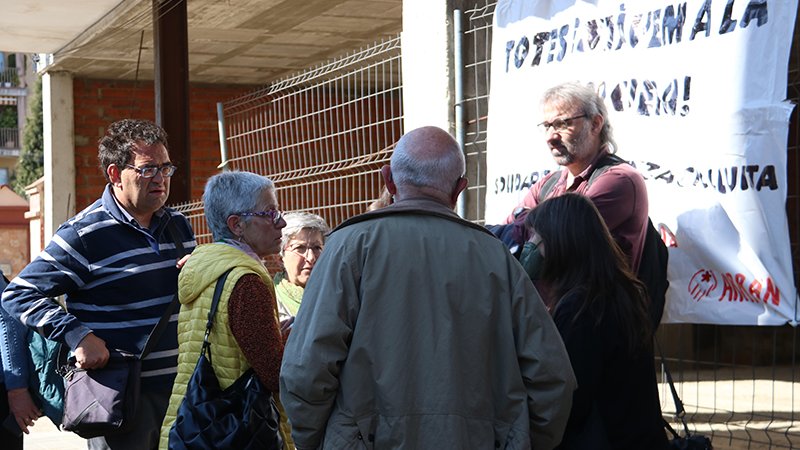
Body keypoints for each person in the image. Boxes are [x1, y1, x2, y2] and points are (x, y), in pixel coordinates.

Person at [280, 126, 576, 450]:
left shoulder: (348, 246)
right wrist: (519, 440)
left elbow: (305, 371)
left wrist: (317, 441)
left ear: (388, 179)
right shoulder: (496, 258)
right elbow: (552, 378)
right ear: (459, 189)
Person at [1, 119, 196, 450]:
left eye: (165, 168)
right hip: (121, 400)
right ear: (115, 175)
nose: (161, 178)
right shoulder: (83, 235)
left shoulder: (179, 227)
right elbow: (17, 294)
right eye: (148, 169)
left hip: (182, 394)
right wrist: (79, 335)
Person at [523, 193, 668, 450]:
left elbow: (570, 399)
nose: (531, 246)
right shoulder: (617, 292)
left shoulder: (582, 308)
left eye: (537, 237)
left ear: (562, 242)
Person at [159, 170, 286, 449]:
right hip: (233, 431)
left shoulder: (205, 267)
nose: (282, 222)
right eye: (270, 213)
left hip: (190, 424)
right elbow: (274, 373)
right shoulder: (246, 282)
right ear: (237, 225)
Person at [504, 81, 649, 273]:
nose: (550, 137)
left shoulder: (620, 180)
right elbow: (508, 234)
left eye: (562, 124)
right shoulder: (549, 184)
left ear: (595, 124)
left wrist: (525, 218)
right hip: (548, 302)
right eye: (547, 126)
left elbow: (556, 238)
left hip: (593, 302)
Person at [274, 211, 330, 322]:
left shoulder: (337, 293)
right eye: (300, 248)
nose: (311, 258)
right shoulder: (271, 302)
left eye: (317, 248)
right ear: (280, 258)